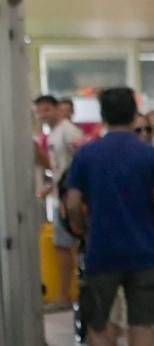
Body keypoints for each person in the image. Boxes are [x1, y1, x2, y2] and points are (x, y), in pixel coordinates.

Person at [61, 86, 154, 346]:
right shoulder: (150, 155)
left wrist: (83, 231)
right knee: (141, 325)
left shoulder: (86, 154)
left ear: (102, 116)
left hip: (101, 252)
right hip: (144, 251)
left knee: (98, 324)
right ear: (133, 114)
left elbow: (72, 204)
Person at [40, 95, 84, 311]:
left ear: (57, 109)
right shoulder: (53, 135)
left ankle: (65, 295)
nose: (42, 115)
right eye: (39, 111)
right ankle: (64, 293)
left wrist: (72, 196)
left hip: (69, 198)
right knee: (61, 245)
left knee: (65, 245)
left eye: (47, 110)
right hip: (60, 196)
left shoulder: (69, 132)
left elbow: (79, 163)